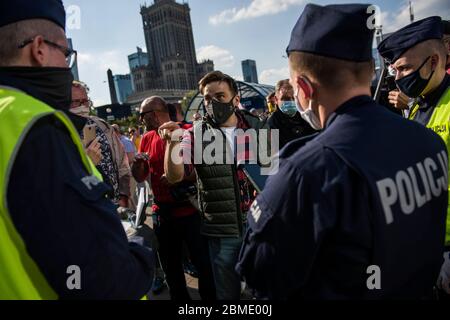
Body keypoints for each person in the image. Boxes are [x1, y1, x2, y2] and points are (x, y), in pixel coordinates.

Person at [236, 4, 448, 300]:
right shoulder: (429, 143)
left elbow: (261, 282)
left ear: (304, 88)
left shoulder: (305, 172)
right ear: (369, 71)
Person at [0, 0, 153, 299]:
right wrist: (140, 248)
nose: (66, 68)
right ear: (39, 49)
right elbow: (102, 278)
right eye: (66, 54)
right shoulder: (34, 126)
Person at [160, 71, 273, 300]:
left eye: (220, 96)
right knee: (227, 294)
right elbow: (174, 176)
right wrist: (172, 143)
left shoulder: (257, 127)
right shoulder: (195, 134)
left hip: (259, 226)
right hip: (223, 232)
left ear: (236, 99)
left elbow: (273, 173)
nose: (213, 103)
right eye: (208, 99)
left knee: (266, 289)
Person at [379, 15, 450, 297]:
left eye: (405, 68)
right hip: (424, 243)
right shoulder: (417, 106)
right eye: (395, 70)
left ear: (434, 62)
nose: (398, 78)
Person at [132, 96, 216, 301]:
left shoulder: (189, 131)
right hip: (163, 213)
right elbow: (139, 176)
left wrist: (179, 177)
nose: (141, 121)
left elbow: (208, 169)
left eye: (142, 116)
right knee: (171, 270)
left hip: (191, 212)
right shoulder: (147, 138)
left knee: (204, 266)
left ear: (153, 114)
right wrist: (138, 165)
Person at [70, 81, 131, 208]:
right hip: (87, 208)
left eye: (85, 101)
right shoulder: (60, 133)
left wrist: (124, 196)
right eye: (76, 102)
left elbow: (123, 164)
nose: (82, 106)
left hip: (115, 206)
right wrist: (87, 163)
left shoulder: (103, 126)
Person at [268, 79, 317, 148]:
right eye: (285, 98)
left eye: (294, 98)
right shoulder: (271, 124)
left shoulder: (306, 115)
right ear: (276, 99)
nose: (291, 101)